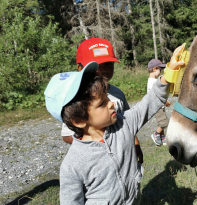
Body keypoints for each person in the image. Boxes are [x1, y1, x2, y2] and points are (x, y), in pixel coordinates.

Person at [44, 45, 185, 205]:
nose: (111, 104)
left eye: (107, 98)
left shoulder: (123, 123)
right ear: (79, 120)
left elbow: (150, 101)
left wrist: (169, 73)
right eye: (102, 103)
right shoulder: (73, 165)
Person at [61, 37, 143, 163]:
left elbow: (127, 122)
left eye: (109, 64)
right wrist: (98, 144)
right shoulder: (78, 98)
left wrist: (135, 144)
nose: (105, 69)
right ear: (80, 68)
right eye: (98, 65)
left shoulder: (118, 94)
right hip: (95, 159)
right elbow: (67, 135)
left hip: (123, 155)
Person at [147, 59, 171, 146]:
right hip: (157, 106)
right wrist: (165, 101)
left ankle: (162, 137)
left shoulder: (150, 81)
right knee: (164, 122)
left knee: (161, 120)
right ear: (154, 69)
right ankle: (156, 134)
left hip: (158, 106)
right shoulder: (153, 82)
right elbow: (157, 94)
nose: (160, 71)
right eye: (160, 69)